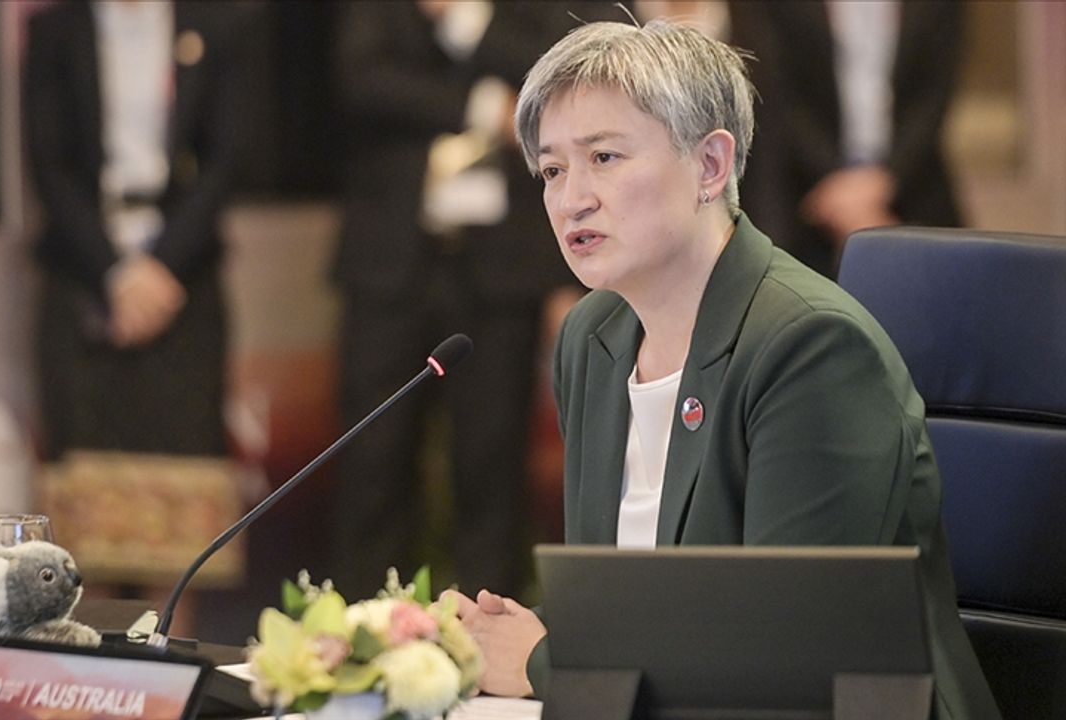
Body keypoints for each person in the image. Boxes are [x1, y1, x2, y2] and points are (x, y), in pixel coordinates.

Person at [444, 20, 1000, 719]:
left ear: (710, 165)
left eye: (605, 157)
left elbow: (784, 651)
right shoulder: (592, 338)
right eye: (553, 170)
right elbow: (622, 603)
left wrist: (543, 661)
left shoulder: (811, 348)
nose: (571, 198)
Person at [328, 1, 579, 600]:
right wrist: (477, 107)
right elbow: (360, 80)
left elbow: (559, 75)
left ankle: (489, 629)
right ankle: (366, 627)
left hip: (499, 269)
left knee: (491, 466)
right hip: (394, 263)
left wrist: (467, 22)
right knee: (374, 460)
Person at [23, 0, 269, 461]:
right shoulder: (55, 30)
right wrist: (116, 275)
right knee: (83, 472)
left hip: (183, 278)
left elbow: (226, 159)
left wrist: (161, 267)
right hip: (82, 277)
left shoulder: (216, 25)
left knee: (187, 468)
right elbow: (48, 165)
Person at [729, 2, 966, 277]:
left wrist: (880, 183)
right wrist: (843, 195)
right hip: (799, 199)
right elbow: (774, 92)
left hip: (912, 190)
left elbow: (933, 97)